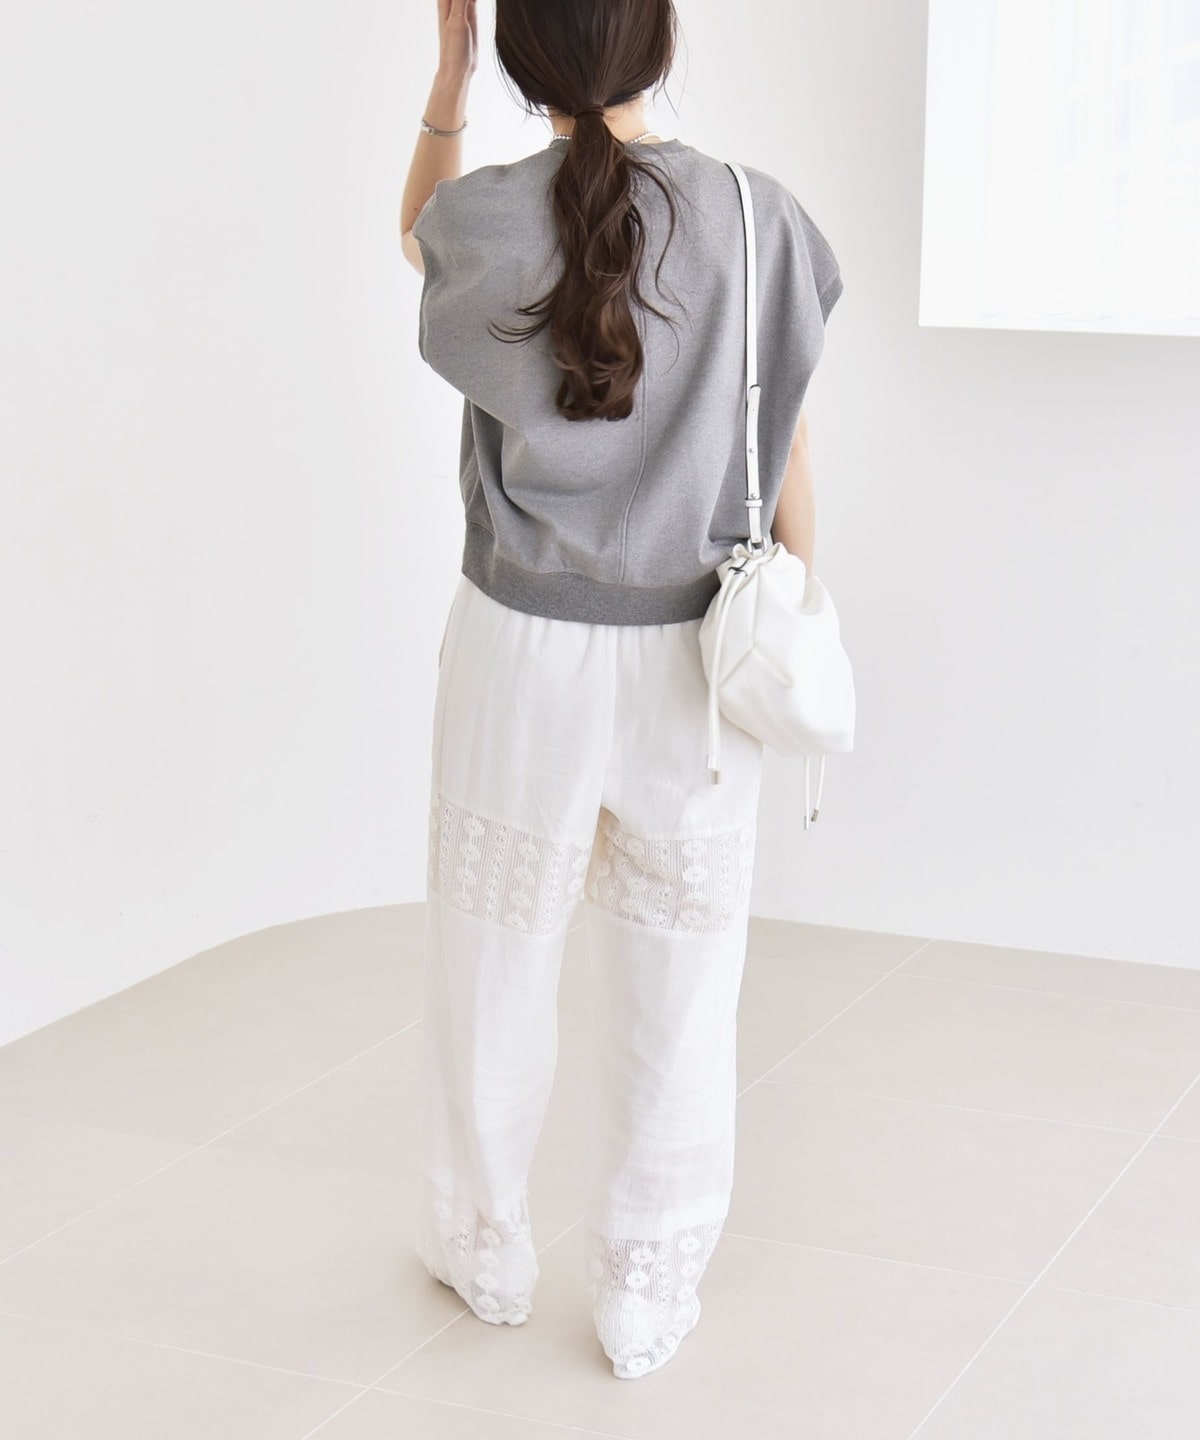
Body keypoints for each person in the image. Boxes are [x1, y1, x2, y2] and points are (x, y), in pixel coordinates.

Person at [398, 0, 843, 1380]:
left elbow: (412, 235)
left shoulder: (482, 217)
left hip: (519, 652)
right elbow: (787, 450)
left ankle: (483, 1243)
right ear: (661, 39)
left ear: (520, 53)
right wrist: (795, 608)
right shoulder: (759, 221)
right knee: (682, 984)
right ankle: (647, 1286)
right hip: (691, 661)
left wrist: (446, 78)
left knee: (490, 963)